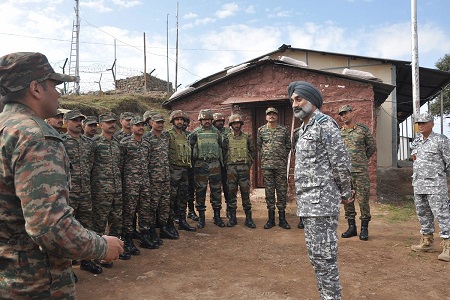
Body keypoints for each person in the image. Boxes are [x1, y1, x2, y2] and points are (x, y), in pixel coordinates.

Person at [0, 52, 123, 298]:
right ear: (35, 88)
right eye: (55, 85)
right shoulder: (35, 136)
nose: (59, 93)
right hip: (35, 281)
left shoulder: (6, 127)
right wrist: (101, 246)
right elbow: (49, 227)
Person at [288, 81, 353, 300]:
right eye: (293, 101)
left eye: (299, 99)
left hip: (322, 203)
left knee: (325, 258)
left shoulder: (325, 125)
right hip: (309, 204)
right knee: (316, 257)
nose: (295, 104)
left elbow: (341, 163)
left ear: (312, 101)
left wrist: (346, 193)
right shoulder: (304, 128)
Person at [63, 110, 103, 275]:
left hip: (86, 191)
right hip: (68, 193)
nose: (78, 123)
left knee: (87, 226)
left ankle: (86, 260)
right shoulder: (61, 142)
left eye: (80, 120)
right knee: (66, 229)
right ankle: (67, 267)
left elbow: (92, 165)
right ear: (66, 123)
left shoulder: (89, 143)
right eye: (74, 120)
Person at [91, 112, 131, 265]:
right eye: (108, 122)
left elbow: (120, 166)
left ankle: (114, 252)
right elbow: (90, 166)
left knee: (116, 221)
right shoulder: (95, 143)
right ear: (101, 125)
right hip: (101, 191)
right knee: (99, 223)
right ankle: (98, 255)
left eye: (113, 122)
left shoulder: (117, 144)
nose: (111, 125)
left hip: (116, 189)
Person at [410, 113, 450, 262]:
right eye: (418, 123)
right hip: (419, 184)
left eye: (424, 123)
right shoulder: (416, 141)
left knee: (442, 214)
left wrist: (444, 180)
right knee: (423, 213)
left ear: (432, 124)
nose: (420, 125)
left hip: (435, 185)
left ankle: (448, 245)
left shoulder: (441, 140)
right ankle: (427, 241)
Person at [338, 104, 377, 241]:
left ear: (352, 113)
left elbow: (372, 146)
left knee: (363, 200)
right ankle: (351, 227)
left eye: (345, 113)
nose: (343, 116)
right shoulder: (339, 132)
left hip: (360, 171)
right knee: (347, 200)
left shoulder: (362, 130)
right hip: (345, 172)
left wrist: (362, 159)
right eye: (341, 114)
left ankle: (364, 228)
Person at [121, 116, 159, 250]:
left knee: (144, 210)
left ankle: (144, 236)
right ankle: (127, 238)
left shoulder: (146, 144)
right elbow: (121, 164)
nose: (141, 127)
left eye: (142, 125)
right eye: (138, 125)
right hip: (130, 184)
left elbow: (148, 162)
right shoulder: (125, 143)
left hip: (145, 183)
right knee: (129, 212)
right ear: (131, 128)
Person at [189, 109, 225, 228]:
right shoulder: (195, 133)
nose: (207, 121)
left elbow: (221, 146)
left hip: (215, 165)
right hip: (201, 165)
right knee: (200, 191)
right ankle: (202, 218)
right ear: (201, 120)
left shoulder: (217, 133)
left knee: (216, 191)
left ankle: (217, 217)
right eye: (204, 119)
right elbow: (190, 148)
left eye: (209, 119)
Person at [257, 107, 292, 230]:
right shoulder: (261, 130)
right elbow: (259, 146)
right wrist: (267, 156)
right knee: (269, 192)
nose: (271, 116)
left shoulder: (283, 130)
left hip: (280, 166)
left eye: (274, 114)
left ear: (277, 116)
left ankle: (282, 219)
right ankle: (271, 219)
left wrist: (280, 157)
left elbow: (288, 146)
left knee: (282, 192)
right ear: (266, 117)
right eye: (269, 114)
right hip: (267, 166)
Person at [145, 113, 178, 240]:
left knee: (165, 204)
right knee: (152, 205)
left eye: (161, 122)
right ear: (151, 123)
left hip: (165, 176)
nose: (160, 124)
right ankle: (151, 229)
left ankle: (164, 228)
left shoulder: (165, 137)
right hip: (153, 178)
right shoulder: (147, 138)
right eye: (157, 122)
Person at [223, 114, 256, 228]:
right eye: (234, 123)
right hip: (231, 169)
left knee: (245, 194)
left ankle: (248, 218)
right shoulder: (227, 138)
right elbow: (224, 153)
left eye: (238, 123)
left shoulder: (247, 137)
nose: (236, 125)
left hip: (244, 169)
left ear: (241, 124)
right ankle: (233, 218)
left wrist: (248, 164)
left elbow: (252, 151)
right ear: (231, 125)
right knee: (231, 194)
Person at [168, 110, 197, 232]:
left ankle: (182, 221)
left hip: (185, 170)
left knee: (183, 197)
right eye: (177, 119)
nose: (180, 122)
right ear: (173, 121)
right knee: (171, 198)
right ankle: (169, 224)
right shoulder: (168, 135)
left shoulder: (187, 136)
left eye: (182, 120)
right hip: (173, 170)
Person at [212, 112, 232, 218]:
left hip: (226, 164)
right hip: (215, 164)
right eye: (217, 121)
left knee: (228, 187)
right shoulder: (212, 132)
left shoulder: (228, 132)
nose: (220, 123)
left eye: (221, 121)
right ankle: (216, 211)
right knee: (215, 188)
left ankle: (229, 208)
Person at [182, 112, 199, 222]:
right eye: (181, 121)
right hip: (178, 167)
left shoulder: (192, 135)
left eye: (185, 121)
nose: (183, 123)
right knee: (179, 192)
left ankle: (191, 211)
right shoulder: (170, 135)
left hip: (190, 167)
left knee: (190, 190)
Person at [291, 125, 305, 230]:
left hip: (316, 168)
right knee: (301, 193)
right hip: (301, 168)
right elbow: (293, 148)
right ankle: (302, 218)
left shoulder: (319, 129)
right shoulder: (297, 132)